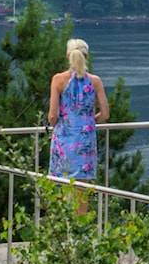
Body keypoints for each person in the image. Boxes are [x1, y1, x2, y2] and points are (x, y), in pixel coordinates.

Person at [47, 38, 110, 215]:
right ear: (86, 56)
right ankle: (79, 231)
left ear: (68, 56)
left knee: (63, 188)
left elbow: (53, 115)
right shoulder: (95, 81)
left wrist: (56, 125)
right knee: (82, 191)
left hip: (63, 142)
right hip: (85, 143)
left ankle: (65, 232)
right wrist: (88, 123)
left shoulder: (58, 80)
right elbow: (105, 114)